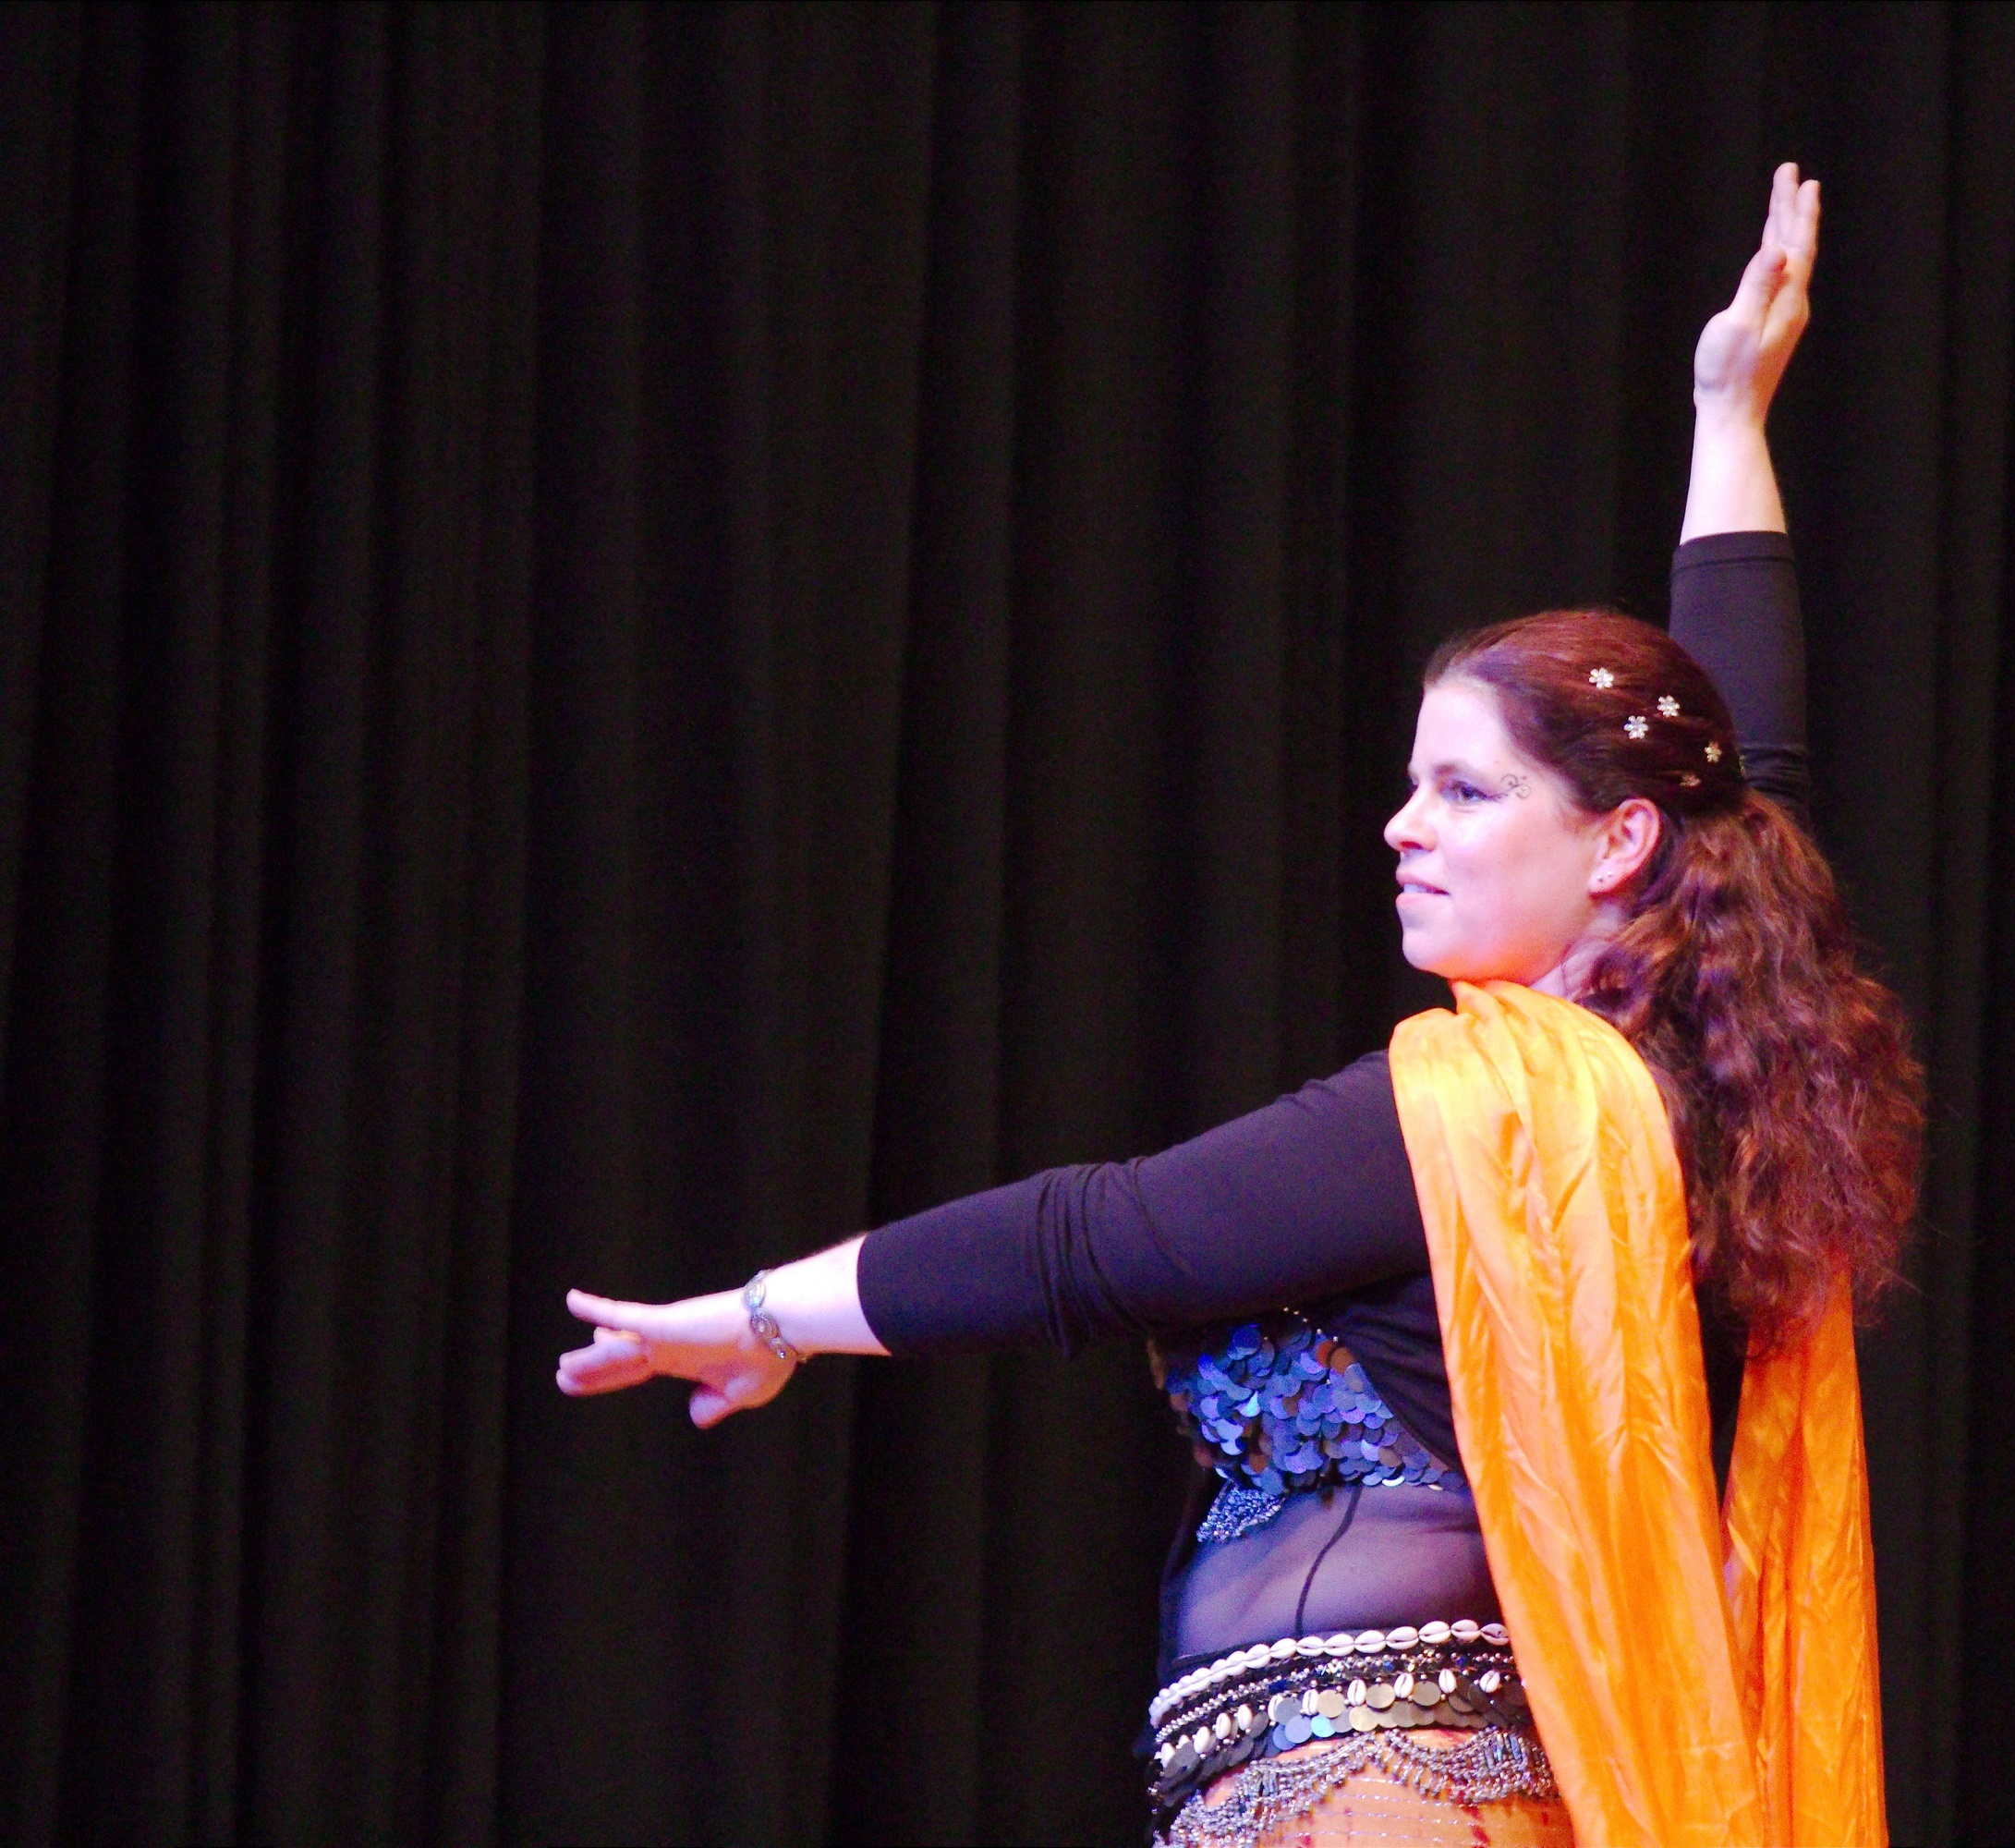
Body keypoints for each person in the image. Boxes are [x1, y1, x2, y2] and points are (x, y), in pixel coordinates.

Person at [560, 164, 1920, 1848]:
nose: (1402, 827)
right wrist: (1729, 418)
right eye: (1412, 785)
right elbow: (1749, 774)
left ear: (1618, 841)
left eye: (1466, 791)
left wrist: (758, 1317)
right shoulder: (1706, 1078)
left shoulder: (1484, 1120)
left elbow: (1095, 1240)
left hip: (1374, 1791)